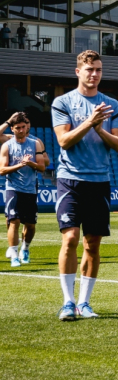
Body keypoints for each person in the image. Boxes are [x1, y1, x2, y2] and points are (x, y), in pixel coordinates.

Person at [51, 50, 118, 321]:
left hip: (99, 181)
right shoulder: (63, 102)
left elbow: (117, 144)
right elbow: (64, 141)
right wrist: (89, 122)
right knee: (70, 238)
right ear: (78, 72)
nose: (94, 74)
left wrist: (99, 128)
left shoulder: (112, 105)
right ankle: (67, 302)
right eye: (89, 69)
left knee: (92, 244)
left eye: (98, 70)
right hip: (70, 179)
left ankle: (84, 302)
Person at [2, 113, 46, 267]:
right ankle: (14, 253)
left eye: (23, 127)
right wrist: (20, 165)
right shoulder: (7, 146)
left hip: (30, 188)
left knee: (31, 224)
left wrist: (30, 164)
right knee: (14, 220)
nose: (21, 130)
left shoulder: (35, 144)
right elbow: (1, 170)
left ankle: (25, 248)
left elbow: (42, 167)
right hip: (13, 187)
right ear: (12, 129)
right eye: (18, 128)